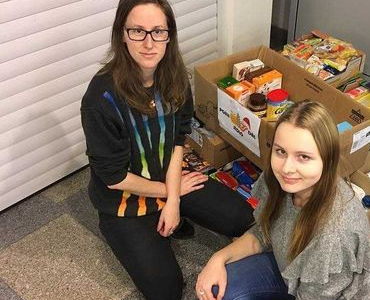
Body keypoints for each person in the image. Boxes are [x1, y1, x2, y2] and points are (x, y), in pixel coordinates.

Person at [80, 1, 254, 299]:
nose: (149, 43)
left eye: (158, 31)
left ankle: (172, 216)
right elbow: (114, 177)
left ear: (169, 35)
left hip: (170, 180)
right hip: (122, 201)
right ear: (122, 34)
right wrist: (168, 194)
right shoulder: (101, 98)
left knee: (241, 217)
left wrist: (173, 198)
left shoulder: (174, 78)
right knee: (166, 291)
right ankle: (123, 230)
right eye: (137, 31)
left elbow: (177, 141)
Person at [196, 100, 370, 300]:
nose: (286, 168)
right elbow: (263, 231)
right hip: (289, 270)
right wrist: (218, 258)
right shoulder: (280, 180)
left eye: (303, 157)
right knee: (218, 291)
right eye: (281, 151)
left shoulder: (335, 233)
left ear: (328, 160)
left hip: (320, 295)